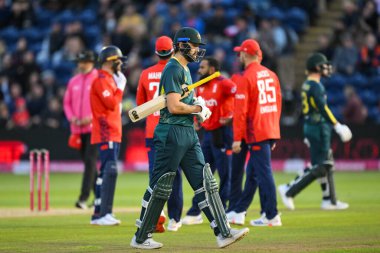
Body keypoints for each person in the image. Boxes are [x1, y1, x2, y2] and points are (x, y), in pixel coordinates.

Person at [130, 27, 249, 250]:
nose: (196, 50)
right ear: (183, 45)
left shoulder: (183, 69)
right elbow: (174, 106)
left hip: (187, 132)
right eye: (194, 46)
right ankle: (140, 236)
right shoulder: (173, 69)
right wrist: (197, 107)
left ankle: (223, 232)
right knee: (160, 187)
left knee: (206, 182)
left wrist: (197, 112)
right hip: (171, 133)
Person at [278, 53, 352, 211]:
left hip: (313, 125)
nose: (327, 68)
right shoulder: (315, 86)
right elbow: (322, 108)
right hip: (318, 127)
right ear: (317, 67)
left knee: (326, 164)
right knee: (322, 165)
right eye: (324, 65)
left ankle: (329, 199)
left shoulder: (308, 84)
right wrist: (337, 125)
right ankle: (290, 189)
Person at [231, 39, 282, 227]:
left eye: (240, 53)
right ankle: (239, 211)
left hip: (256, 132)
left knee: (263, 173)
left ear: (245, 54)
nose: (239, 56)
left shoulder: (246, 77)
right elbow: (277, 105)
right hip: (268, 128)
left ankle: (272, 215)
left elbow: (240, 112)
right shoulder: (271, 75)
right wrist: (275, 132)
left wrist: (237, 139)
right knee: (253, 172)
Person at [136, 36, 183, 232]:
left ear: (156, 52)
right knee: (175, 174)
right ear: (172, 51)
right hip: (174, 128)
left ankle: (156, 215)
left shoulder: (146, 74)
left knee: (155, 175)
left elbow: (140, 106)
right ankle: (175, 218)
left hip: (153, 131)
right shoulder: (179, 71)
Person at [182, 57, 236, 225]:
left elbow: (241, 97)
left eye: (203, 67)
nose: (199, 70)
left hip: (223, 133)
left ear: (212, 70)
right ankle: (195, 212)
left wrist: (232, 116)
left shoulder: (224, 83)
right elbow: (200, 107)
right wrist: (197, 121)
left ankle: (225, 210)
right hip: (207, 135)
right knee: (203, 174)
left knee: (225, 175)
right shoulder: (200, 87)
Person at [89, 45, 127, 225]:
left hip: (112, 131)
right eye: (118, 59)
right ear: (109, 61)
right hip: (106, 131)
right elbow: (111, 103)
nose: (120, 63)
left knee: (105, 171)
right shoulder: (102, 80)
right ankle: (104, 213)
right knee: (109, 171)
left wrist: (118, 84)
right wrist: (121, 87)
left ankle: (98, 214)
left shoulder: (109, 79)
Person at [63, 50, 98, 209]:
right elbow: (67, 103)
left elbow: (102, 103)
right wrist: (72, 118)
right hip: (77, 129)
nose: (79, 64)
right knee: (88, 164)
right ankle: (100, 197)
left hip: (94, 127)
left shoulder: (98, 78)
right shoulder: (73, 81)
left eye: (81, 61)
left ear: (90, 62)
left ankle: (83, 198)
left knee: (90, 162)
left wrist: (91, 117)